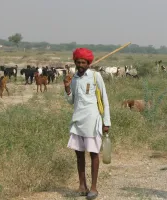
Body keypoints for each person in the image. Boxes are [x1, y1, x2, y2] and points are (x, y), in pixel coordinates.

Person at [63, 48, 111, 200]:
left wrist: (106, 122)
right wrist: (67, 88)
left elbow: (104, 100)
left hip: (92, 121)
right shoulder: (74, 79)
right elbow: (71, 101)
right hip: (77, 121)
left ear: (89, 63)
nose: (80, 64)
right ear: (75, 63)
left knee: (94, 154)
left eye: (83, 62)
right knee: (79, 155)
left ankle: (94, 187)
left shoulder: (96, 76)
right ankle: (82, 185)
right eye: (78, 62)